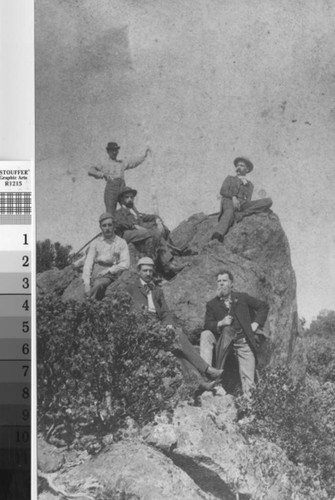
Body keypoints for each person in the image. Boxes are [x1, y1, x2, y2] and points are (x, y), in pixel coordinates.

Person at [126, 257, 223, 391]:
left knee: (178, 351)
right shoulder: (131, 289)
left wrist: (169, 324)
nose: (148, 274)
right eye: (145, 271)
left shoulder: (157, 290)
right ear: (139, 271)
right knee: (178, 335)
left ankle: (201, 383)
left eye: (150, 271)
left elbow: (166, 312)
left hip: (159, 328)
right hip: (144, 330)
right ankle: (207, 369)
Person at [200, 269, 269, 398]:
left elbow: (263, 306)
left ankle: (248, 407)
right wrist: (220, 323)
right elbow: (207, 324)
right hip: (223, 343)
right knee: (206, 335)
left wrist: (256, 324)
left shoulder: (242, 298)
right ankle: (209, 379)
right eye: (219, 281)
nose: (221, 284)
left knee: (249, 383)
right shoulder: (212, 304)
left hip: (243, 342)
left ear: (231, 283)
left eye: (224, 281)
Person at [115, 186, 184, 277]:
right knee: (154, 232)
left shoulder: (135, 212)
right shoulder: (119, 212)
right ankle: (168, 263)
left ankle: (170, 255)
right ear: (121, 199)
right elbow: (119, 223)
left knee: (158, 229)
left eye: (131, 197)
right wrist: (134, 226)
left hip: (139, 233)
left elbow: (146, 217)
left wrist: (157, 220)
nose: (130, 199)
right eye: (127, 197)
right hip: (127, 234)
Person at [211, 157, 273, 242]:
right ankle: (217, 235)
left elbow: (248, 200)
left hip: (242, 204)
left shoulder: (250, 185)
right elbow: (223, 191)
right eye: (237, 165)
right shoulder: (230, 178)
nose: (238, 167)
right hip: (229, 200)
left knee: (268, 201)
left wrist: (243, 205)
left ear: (247, 169)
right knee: (229, 212)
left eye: (241, 165)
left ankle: (242, 214)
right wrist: (233, 197)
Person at [88, 142, 150, 216]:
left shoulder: (121, 163)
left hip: (122, 187)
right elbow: (91, 170)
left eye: (116, 150)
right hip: (111, 188)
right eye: (112, 150)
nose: (114, 152)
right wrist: (102, 174)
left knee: (129, 206)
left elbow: (133, 162)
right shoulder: (104, 163)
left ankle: (137, 219)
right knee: (110, 212)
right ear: (108, 152)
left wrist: (144, 156)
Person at [82, 212, 130, 300]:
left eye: (109, 225)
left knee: (99, 284)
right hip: (96, 270)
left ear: (114, 226)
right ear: (100, 227)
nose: (107, 228)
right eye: (104, 226)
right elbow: (88, 263)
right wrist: (86, 283)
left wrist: (109, 270)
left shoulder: (121, 242)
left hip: (111, 272)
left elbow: (125, 263)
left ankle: (89, 303)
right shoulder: (95, 242)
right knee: (89, 285)